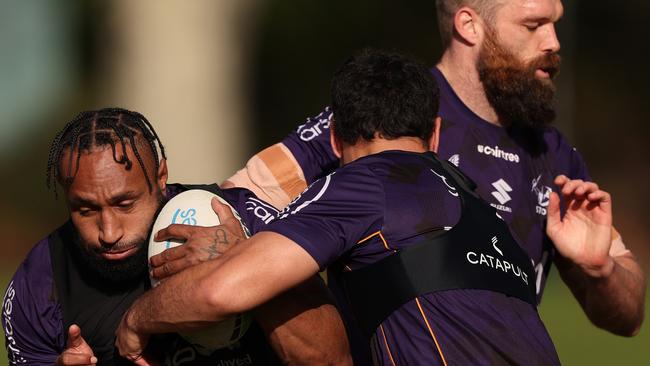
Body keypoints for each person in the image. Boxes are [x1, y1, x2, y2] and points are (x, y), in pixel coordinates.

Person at [113, 48, 593, 365]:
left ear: (336, 138)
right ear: (437, 136)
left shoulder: (362, 183)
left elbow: (220, 292)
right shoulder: (484, 213)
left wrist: (136, 320)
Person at [225, 0, 645, 343]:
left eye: (555, 23)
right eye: (533, 25)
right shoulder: (390, 108)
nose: (552, 42)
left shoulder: (555, 154)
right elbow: (242, 193)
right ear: (470, 25)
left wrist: (601, 270)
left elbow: (627, 318)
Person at [1, 108, 351, 366]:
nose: (109, 232)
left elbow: (333, 360)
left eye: (125, 203)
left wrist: (246, 265)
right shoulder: (37, 288)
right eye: (86, 210)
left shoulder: (237, 219)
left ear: (161, 176)